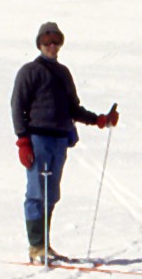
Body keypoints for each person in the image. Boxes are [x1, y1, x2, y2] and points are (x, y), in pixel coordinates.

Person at [10, 21, 118, 263]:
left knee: (50, 194)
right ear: (39, 44)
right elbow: (18, 106)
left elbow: (73, 109)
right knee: (37, 192)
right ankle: (36, 247)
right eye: (46, 41)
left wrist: (100, 120)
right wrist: (23, 141)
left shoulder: (63, 73)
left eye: (55, 41)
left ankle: (44, 247)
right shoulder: (29, 71)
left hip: (59, 142)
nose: (51, 45)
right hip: (38, 140)